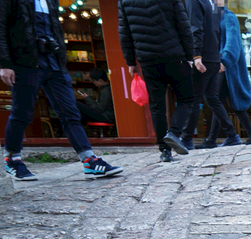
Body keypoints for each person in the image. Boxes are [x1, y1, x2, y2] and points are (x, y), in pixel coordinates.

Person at [1, 0, 123, 180]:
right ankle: (13, 160)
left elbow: (55, 27)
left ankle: (89, 161)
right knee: (22, 113)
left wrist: (61, 58)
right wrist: (4, 63)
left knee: (70, 112)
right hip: (25, 61)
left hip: (54, 62)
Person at [117, 0, 195, 162]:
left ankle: (165, 151)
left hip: (148, 60)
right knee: (186, 99)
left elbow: (125, 34)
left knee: (157, 106)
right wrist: (189, 55)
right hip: (175, 56)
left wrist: (131, 62)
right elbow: (183, 25)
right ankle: (173, 133)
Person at [197, 0, 251, 147]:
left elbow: (233, 42)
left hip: (228, 68)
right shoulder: (215, 18)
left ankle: (249, 136)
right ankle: (215, 139)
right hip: (221, 66)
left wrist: (225, 60)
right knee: (219, 101)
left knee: (227, 101)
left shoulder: (229, 17)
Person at [185, 0, 239, 149]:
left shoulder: (194, 2)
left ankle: (186, 139)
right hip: (214, 57)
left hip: (204, 58)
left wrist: (196, 55)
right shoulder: (212, 5)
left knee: (194, 98)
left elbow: (195, 29)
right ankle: (232, 135)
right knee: (212, 98)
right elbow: (216, 32)